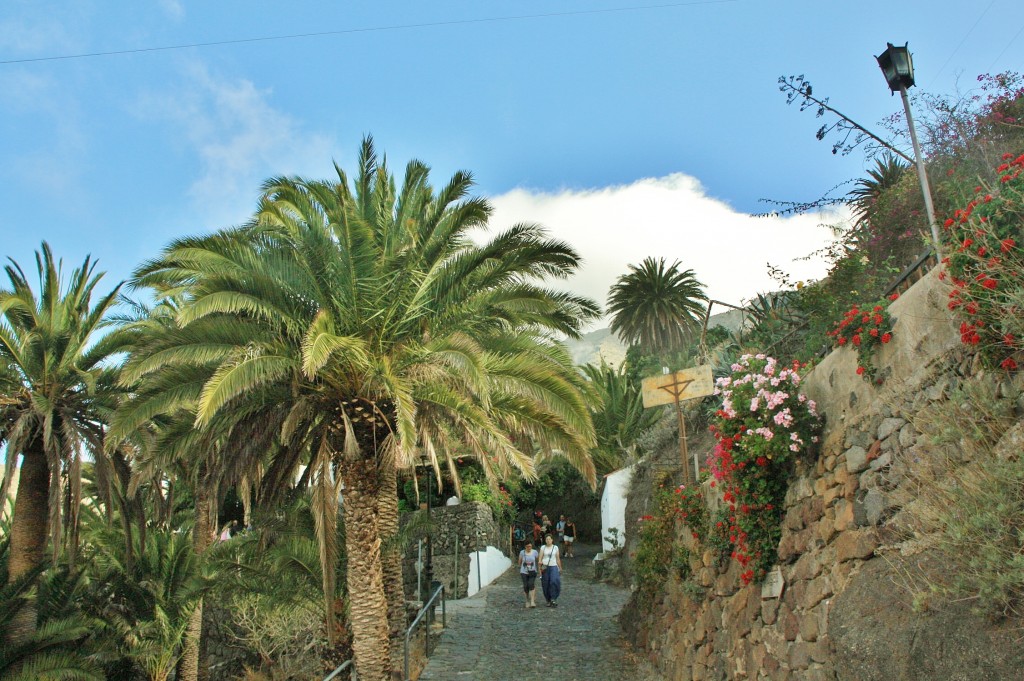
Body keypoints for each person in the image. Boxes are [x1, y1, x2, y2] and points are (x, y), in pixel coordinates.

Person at [539, 534, 563, 607]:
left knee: (554, 581)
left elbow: (557, 558)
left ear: (552, 540)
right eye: (547, 539)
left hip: (553, 566)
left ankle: (553, 598)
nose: (548, 540)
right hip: (545, 567)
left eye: (549, 539)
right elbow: (540, 558)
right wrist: (539, 568)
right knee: (545, 583)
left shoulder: (555, 547)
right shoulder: (543, 547)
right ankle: (548, 599)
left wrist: (560, 567)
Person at [518, 541, 539, 608]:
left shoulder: (535, 552)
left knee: (531, 584)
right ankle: (527, 600)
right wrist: (522, 568)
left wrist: (539, 568)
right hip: (524, 572)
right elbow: (519, 561)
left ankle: (532, 601)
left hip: (532, 571)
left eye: (530, 546)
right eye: (528, 546)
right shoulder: (522, 552)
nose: (529, 548)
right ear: (525, 547)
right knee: (526, 586)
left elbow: (538, 560)